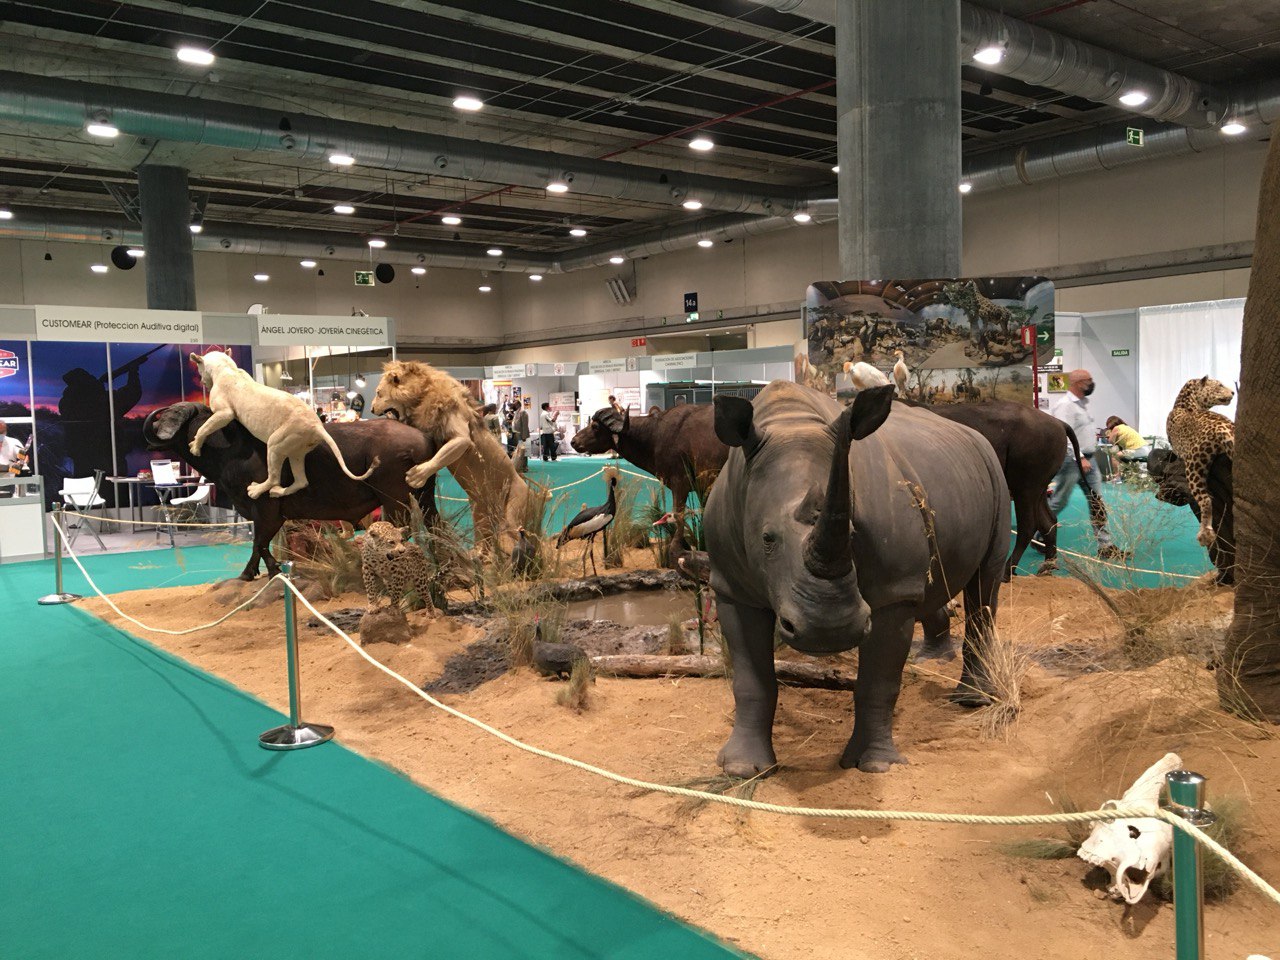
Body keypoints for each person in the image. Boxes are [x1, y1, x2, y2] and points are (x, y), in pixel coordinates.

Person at [1047, 369, 1130, 561]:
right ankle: (1038, 534)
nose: (1092, 383)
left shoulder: (1083, 405)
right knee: (1059, 501)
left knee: (1097, 502)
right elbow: (1063, 435)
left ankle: (1105, 546)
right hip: (1072, 461)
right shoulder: (1065, 406)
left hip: (1089, 460)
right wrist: (1080, 457)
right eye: (1088, 380)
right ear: (1078, 383)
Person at [1104, 415, 1151, 480]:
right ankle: (1122, 476)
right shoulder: (1126, 427)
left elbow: (1111, 441)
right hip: (1145, 449)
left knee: (1115, 456)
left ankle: (1117, 478)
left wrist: (1109, 434)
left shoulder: (1116, 428)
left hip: (1138, 450)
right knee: (1121, 455)